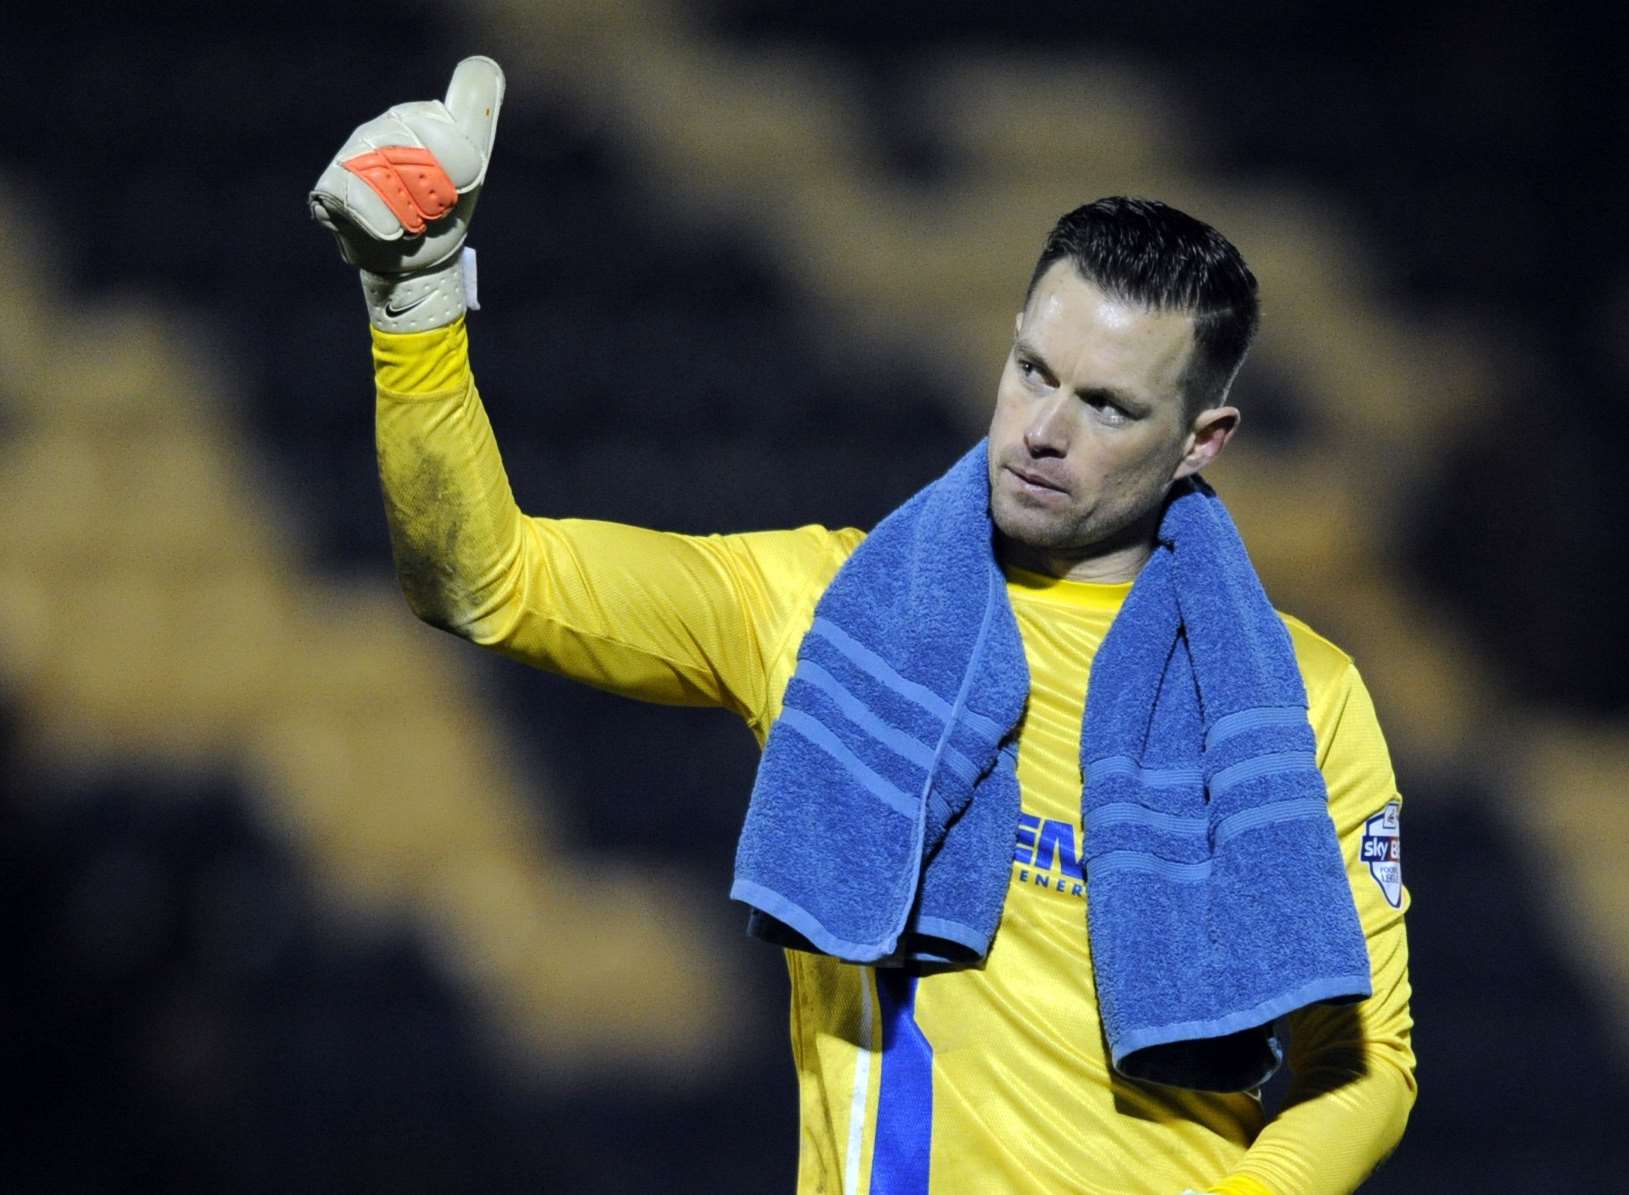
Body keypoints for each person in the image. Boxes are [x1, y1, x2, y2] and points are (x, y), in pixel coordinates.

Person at [311, 58, 1415, 1195]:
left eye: (1108, 407)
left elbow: (1367, 1063)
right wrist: (418, 307)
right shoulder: (830, 611)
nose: (1042, 429)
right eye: (1032, 370)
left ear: (1202, 439)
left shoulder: (1297, 700)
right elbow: (483, 578)